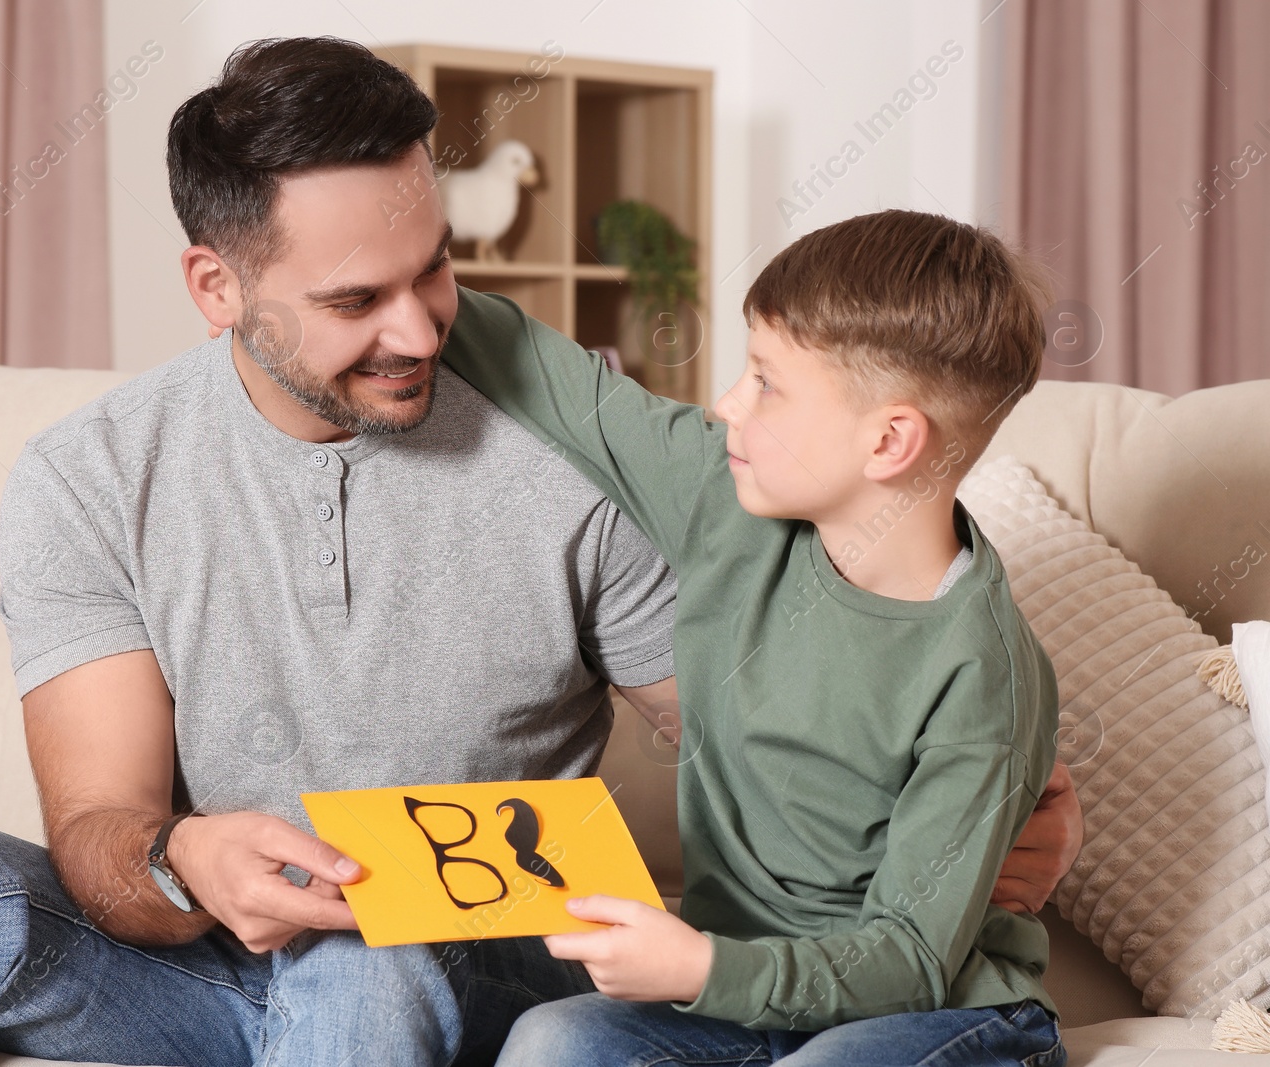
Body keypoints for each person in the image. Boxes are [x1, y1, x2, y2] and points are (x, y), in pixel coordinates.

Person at [0, 37, 1078, 1067]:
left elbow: (759, 716)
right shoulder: (90, 474)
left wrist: (971, 811)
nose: (422, 327)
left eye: (435, 269)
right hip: (199, 960)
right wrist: (184, 859)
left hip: (451, 963)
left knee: (366, 957)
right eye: (353, 301)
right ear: (216, 287)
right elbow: (102, 833)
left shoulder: (569, 458)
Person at [439, 210, 1070, 1067]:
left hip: (937, 1007)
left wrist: (698, 964)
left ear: (889, 440)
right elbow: (554, 381)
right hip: (743, 997)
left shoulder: (985, 673)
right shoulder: (725, 497)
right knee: (554, 1038)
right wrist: (404, 269)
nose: (727, 404)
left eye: (767, 382)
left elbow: (914, 957)